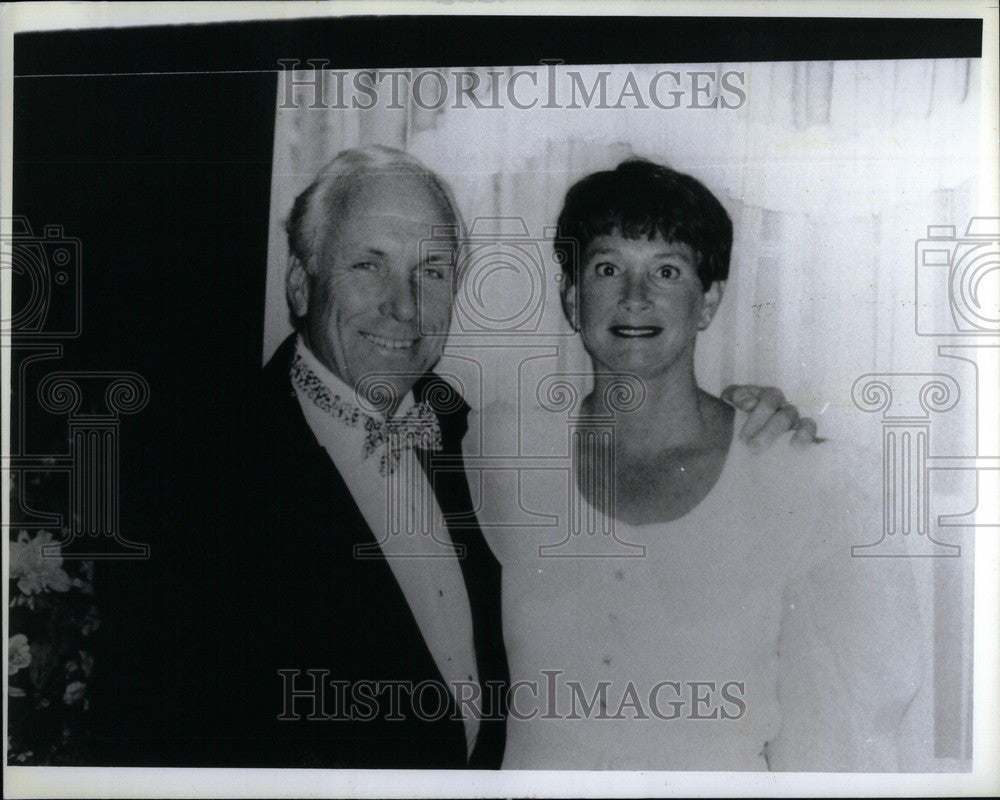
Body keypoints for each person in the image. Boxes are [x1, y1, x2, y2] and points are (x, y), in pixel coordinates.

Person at [89, 146, 816, 768]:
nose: (403, 307)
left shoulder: (478, 439)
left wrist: (759, 418)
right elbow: (158, 739)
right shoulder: (194, 475)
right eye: (369, 266)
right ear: (300, 283)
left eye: (431, 272)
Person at [482, 159, 923, 771]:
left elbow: (842, 738)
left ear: (708, 300)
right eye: (608, 268)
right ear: (572, 296)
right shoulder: (504, 452)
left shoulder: (792, 475)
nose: (635, 297)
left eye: (667, 270)